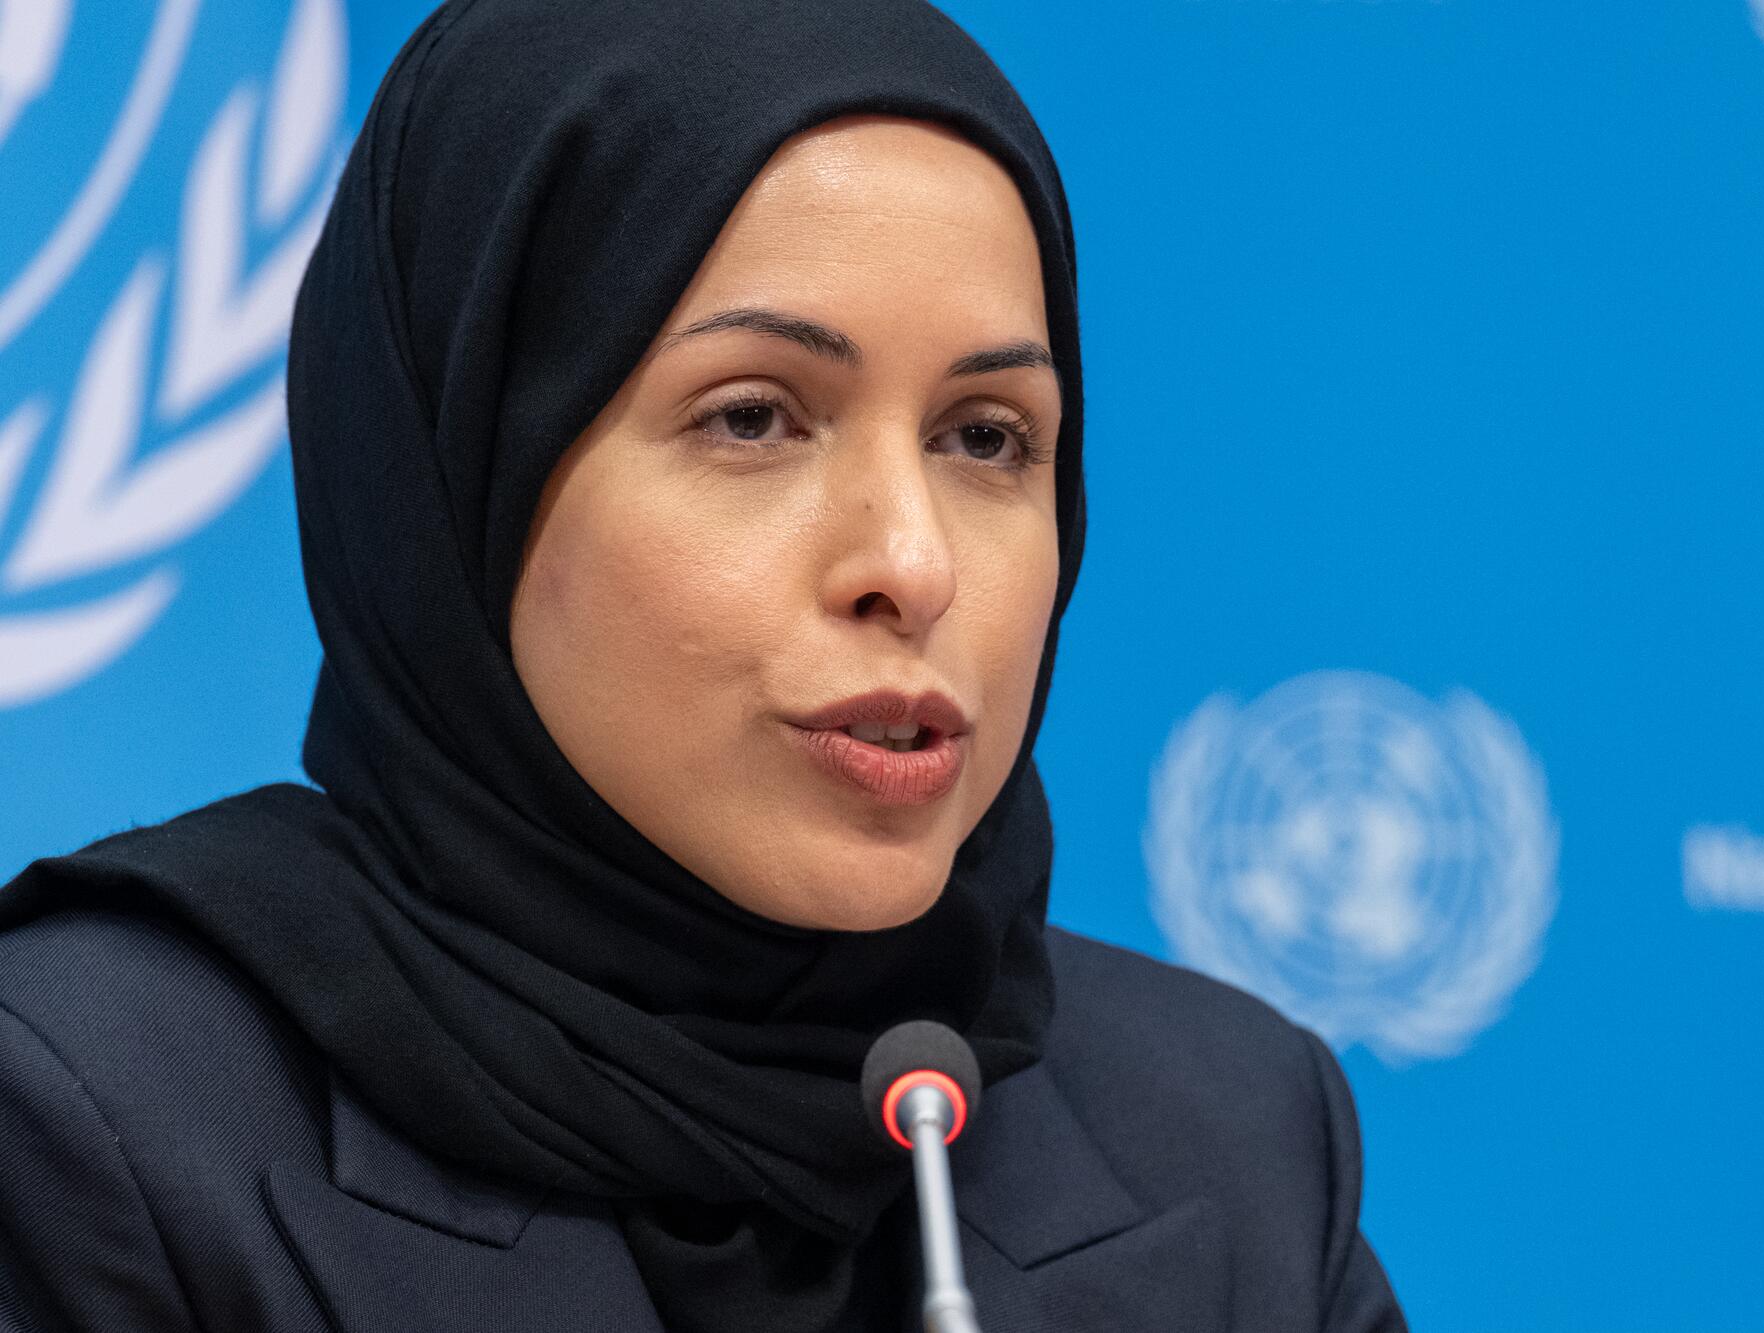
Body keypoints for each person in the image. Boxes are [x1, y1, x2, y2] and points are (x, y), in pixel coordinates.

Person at [0, 1, 1407, 1329]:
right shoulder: (86, 1119)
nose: (912, 564)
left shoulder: (1242, 1139)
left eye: (986, 436)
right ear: (463, 482)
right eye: (755, 419)